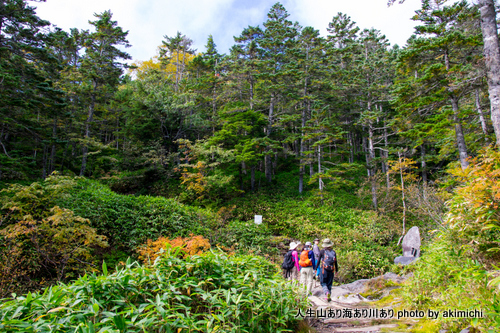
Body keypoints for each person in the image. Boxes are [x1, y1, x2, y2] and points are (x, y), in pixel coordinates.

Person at [317, 238, 338, 302]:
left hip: (324, 269)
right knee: (329, 283)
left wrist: (315, 269)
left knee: (323, 283)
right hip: (331, 270)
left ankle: (326, 293)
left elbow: (318, 261)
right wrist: (337, 270)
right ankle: (328, 297)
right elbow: (335, 262)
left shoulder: (322, 251)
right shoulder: (333, 252)